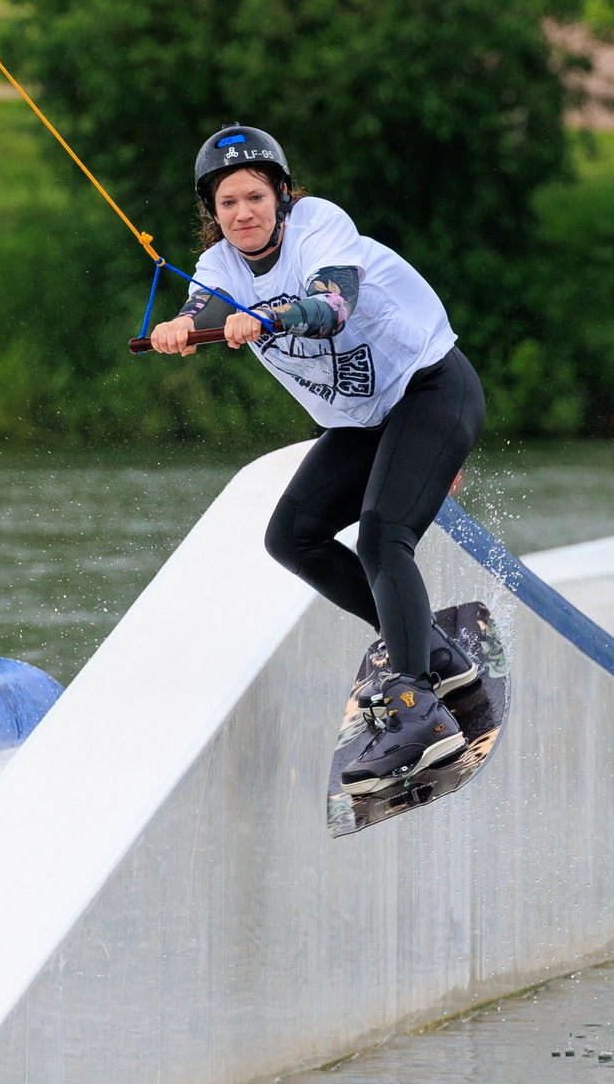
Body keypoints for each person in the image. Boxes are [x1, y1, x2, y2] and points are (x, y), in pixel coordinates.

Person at [149, 124, 487, 792]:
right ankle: (436, 656)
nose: (243, 214)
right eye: (227, 205)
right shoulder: (218, 265)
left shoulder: (320, 227)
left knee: (382, 535)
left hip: (430, 388)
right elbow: (198, 306)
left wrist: (270, 318)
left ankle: (417, 713)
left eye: (254, 197)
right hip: (362, 422)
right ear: (211, 215)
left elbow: (333, 305)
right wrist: (178, 328)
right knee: (292, 537)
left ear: (280, 195)